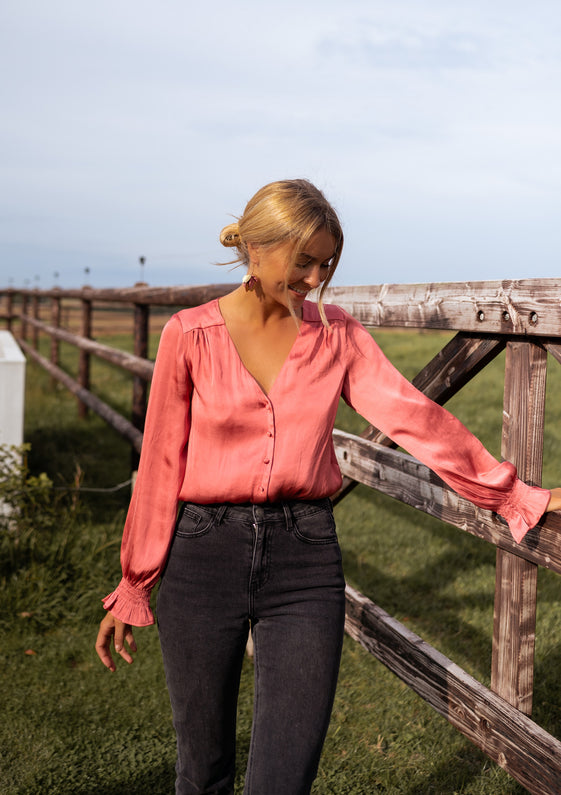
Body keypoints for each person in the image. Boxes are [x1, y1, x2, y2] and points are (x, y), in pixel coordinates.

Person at [96, 178, 561, 795]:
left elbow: (411, 416)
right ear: (256, 249)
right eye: (304, 261)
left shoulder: (336, 334)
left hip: (304, 556)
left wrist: (509, 494)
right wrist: (135, 580)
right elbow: (159, 465)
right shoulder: (191, 334)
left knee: (286, 778)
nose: (315, 277)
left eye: (326, 264)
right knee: (201, 769)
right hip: (201, 557)